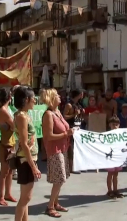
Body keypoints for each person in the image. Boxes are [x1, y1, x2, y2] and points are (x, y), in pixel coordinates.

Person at [41, 88, 73, 218]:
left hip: (63, 148)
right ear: (52, 98)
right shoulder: (48, 114)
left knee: (61, 178)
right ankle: (50, 206)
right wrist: (66, 133)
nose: (60, 97)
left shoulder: (58, 112)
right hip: (55, 150)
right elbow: (48, 136)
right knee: (59, 179)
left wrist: (69, 132)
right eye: (57, 95)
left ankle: (55, 202)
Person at [13, 86, 41, 221]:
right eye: (33, 99)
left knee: (25, 197)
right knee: (26, 198)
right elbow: (24, 143)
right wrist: (34, 166)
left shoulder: (24, 115)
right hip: (25, 159)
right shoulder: (21, 117)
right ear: (27, 99)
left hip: (27, 157)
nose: (35, 101)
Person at [0, 88, 16, 206]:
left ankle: (7, 193)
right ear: (9, 97)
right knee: (4, 171)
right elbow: (14, 125)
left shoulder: (7, 109)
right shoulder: (3, 110)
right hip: (5, 143)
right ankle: (1, 196)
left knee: (10, 171)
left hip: (10, 142)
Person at [63, 89, 83, 174]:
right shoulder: (69, 105)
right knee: (71, 148)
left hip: (78, 127)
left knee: (77, 148)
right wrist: (74, 114)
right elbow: (64, 117)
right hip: (71, 128)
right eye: (81, 94)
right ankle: (71, 167)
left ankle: (76, 165)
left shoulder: (78, 104)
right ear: (79, 94)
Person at [106, 116, 125, 198]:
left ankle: (115, 189)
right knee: (110, 173)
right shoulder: (107, 135)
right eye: (113, 124)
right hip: (110, 157)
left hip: (117, 156)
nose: (115, 126)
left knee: (116, 174)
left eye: (117, 124)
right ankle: (109, 190)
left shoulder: (120, 134)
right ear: (110, 125)